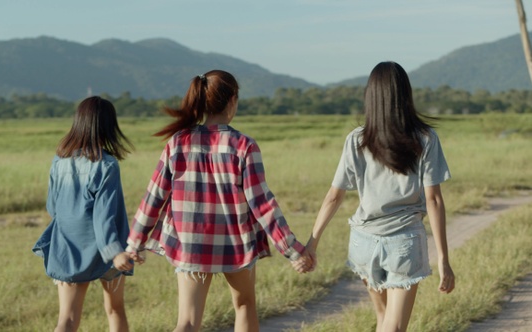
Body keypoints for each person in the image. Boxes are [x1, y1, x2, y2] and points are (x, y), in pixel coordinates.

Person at [126, 69, 312, 332]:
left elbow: (154, 196)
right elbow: (262, 204)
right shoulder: (244, 145)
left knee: (187, 321)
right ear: (232, 99)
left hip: (189, 244)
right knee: (245, 305)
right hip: (235, 245)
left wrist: (135, 242)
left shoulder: (177, 143)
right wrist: (292, 249)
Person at [305, 62, 455, 332]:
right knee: (394, 327)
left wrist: (312, 243)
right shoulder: (426, 139)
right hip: (404, 244)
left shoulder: (356, 139)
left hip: (363, 243)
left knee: (383, 319)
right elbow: (433, 200)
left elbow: (333, 196)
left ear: (370, 95)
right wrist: (443, 259)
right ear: (405, 95)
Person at [32, 96, 137, 332]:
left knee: (67, 320)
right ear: (108, 126)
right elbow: (105, 215)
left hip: (68, 247)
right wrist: (114, 252)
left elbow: (53, 207)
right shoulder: (107, 164)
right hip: (108, 249)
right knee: (115, 310)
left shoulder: (59, 161)